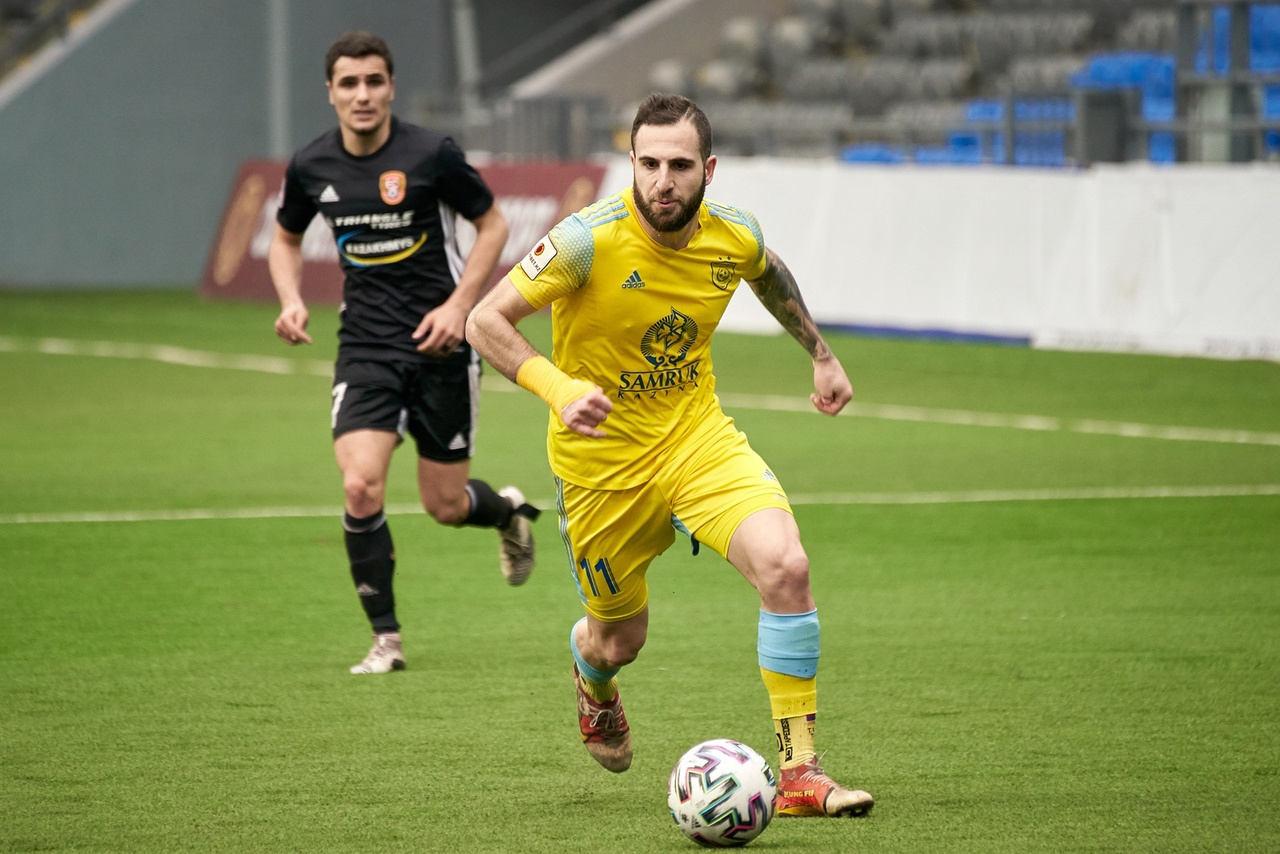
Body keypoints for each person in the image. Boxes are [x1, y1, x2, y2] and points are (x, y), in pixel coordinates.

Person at [466, 93, 873, 817]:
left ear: (708, 170)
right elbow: (484, 320)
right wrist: (559, 388)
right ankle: (593, 679)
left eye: (680, 166)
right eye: (648, 163)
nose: (663, 181)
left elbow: (767, 271)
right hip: (601, 469)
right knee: (620, 639)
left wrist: (820, 352)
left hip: (696, 441)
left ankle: (800, 775)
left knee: (787, 566)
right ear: (630, 162)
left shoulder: (731, 234)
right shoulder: (584, 241)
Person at [269, 31, 539, 675]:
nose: (362, 94)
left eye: (374, 81)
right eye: (349, 83)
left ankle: (507, 513)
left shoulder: (430, 154)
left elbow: (493, 225)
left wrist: (459, 308)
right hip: (365, 349)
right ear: (330, 92)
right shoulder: (311, 165)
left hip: (441, 348)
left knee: (445, 506)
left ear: (391, 87)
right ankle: (386, 641)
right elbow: (284, 238)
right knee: (360, 486)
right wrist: (290, 298)